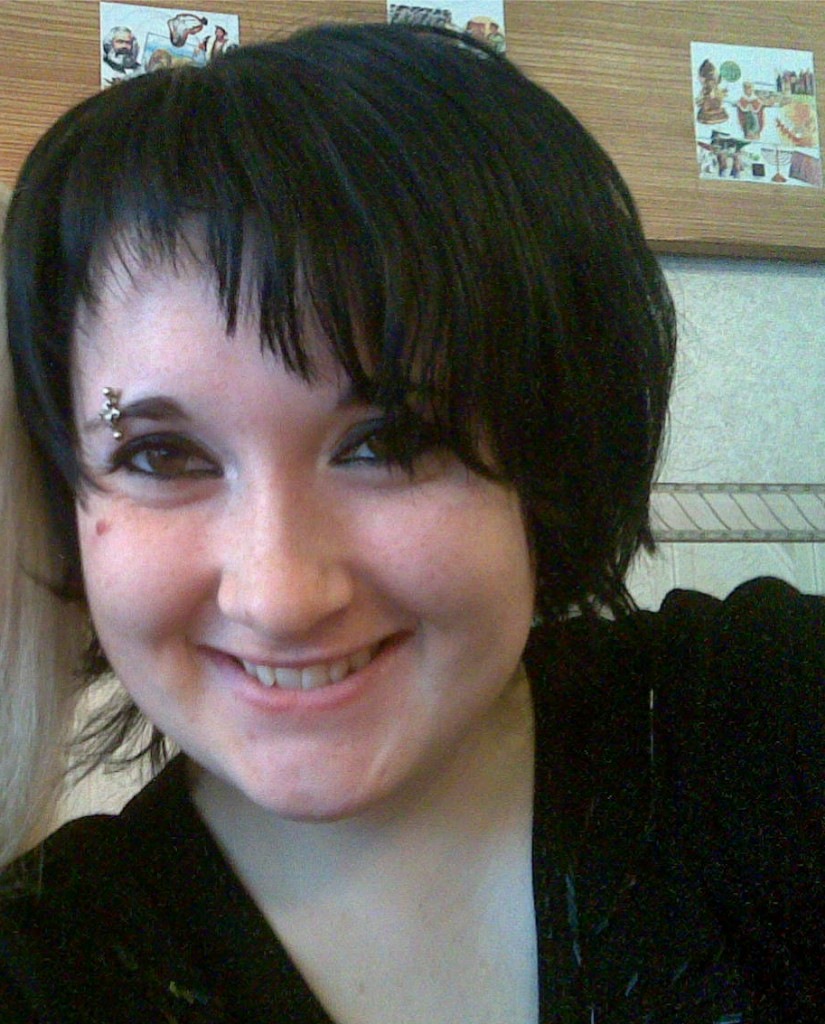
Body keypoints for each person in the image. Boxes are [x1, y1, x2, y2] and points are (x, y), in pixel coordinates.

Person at [0, 22, 821, 1024]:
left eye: (387, 441)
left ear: (548, 453)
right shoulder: (41, 968)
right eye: (162, 456)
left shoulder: (763, 721)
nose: (278, 597)